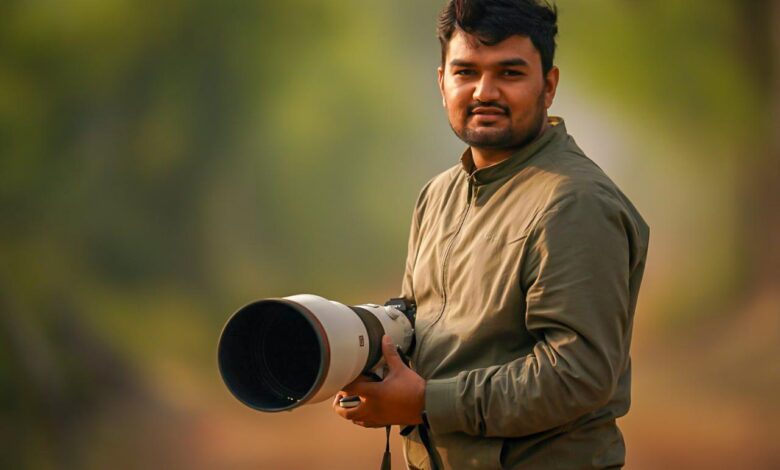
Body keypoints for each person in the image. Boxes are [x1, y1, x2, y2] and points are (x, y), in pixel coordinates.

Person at [333, 1, 649, 468]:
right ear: (442, 83)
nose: (485, 91)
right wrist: (363, 362)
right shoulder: (439, 194)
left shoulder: (574, 202)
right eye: (466, 72)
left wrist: (425, 402)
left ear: (549, 86)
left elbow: (577, 374)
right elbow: (430, 326)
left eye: (510, 73)